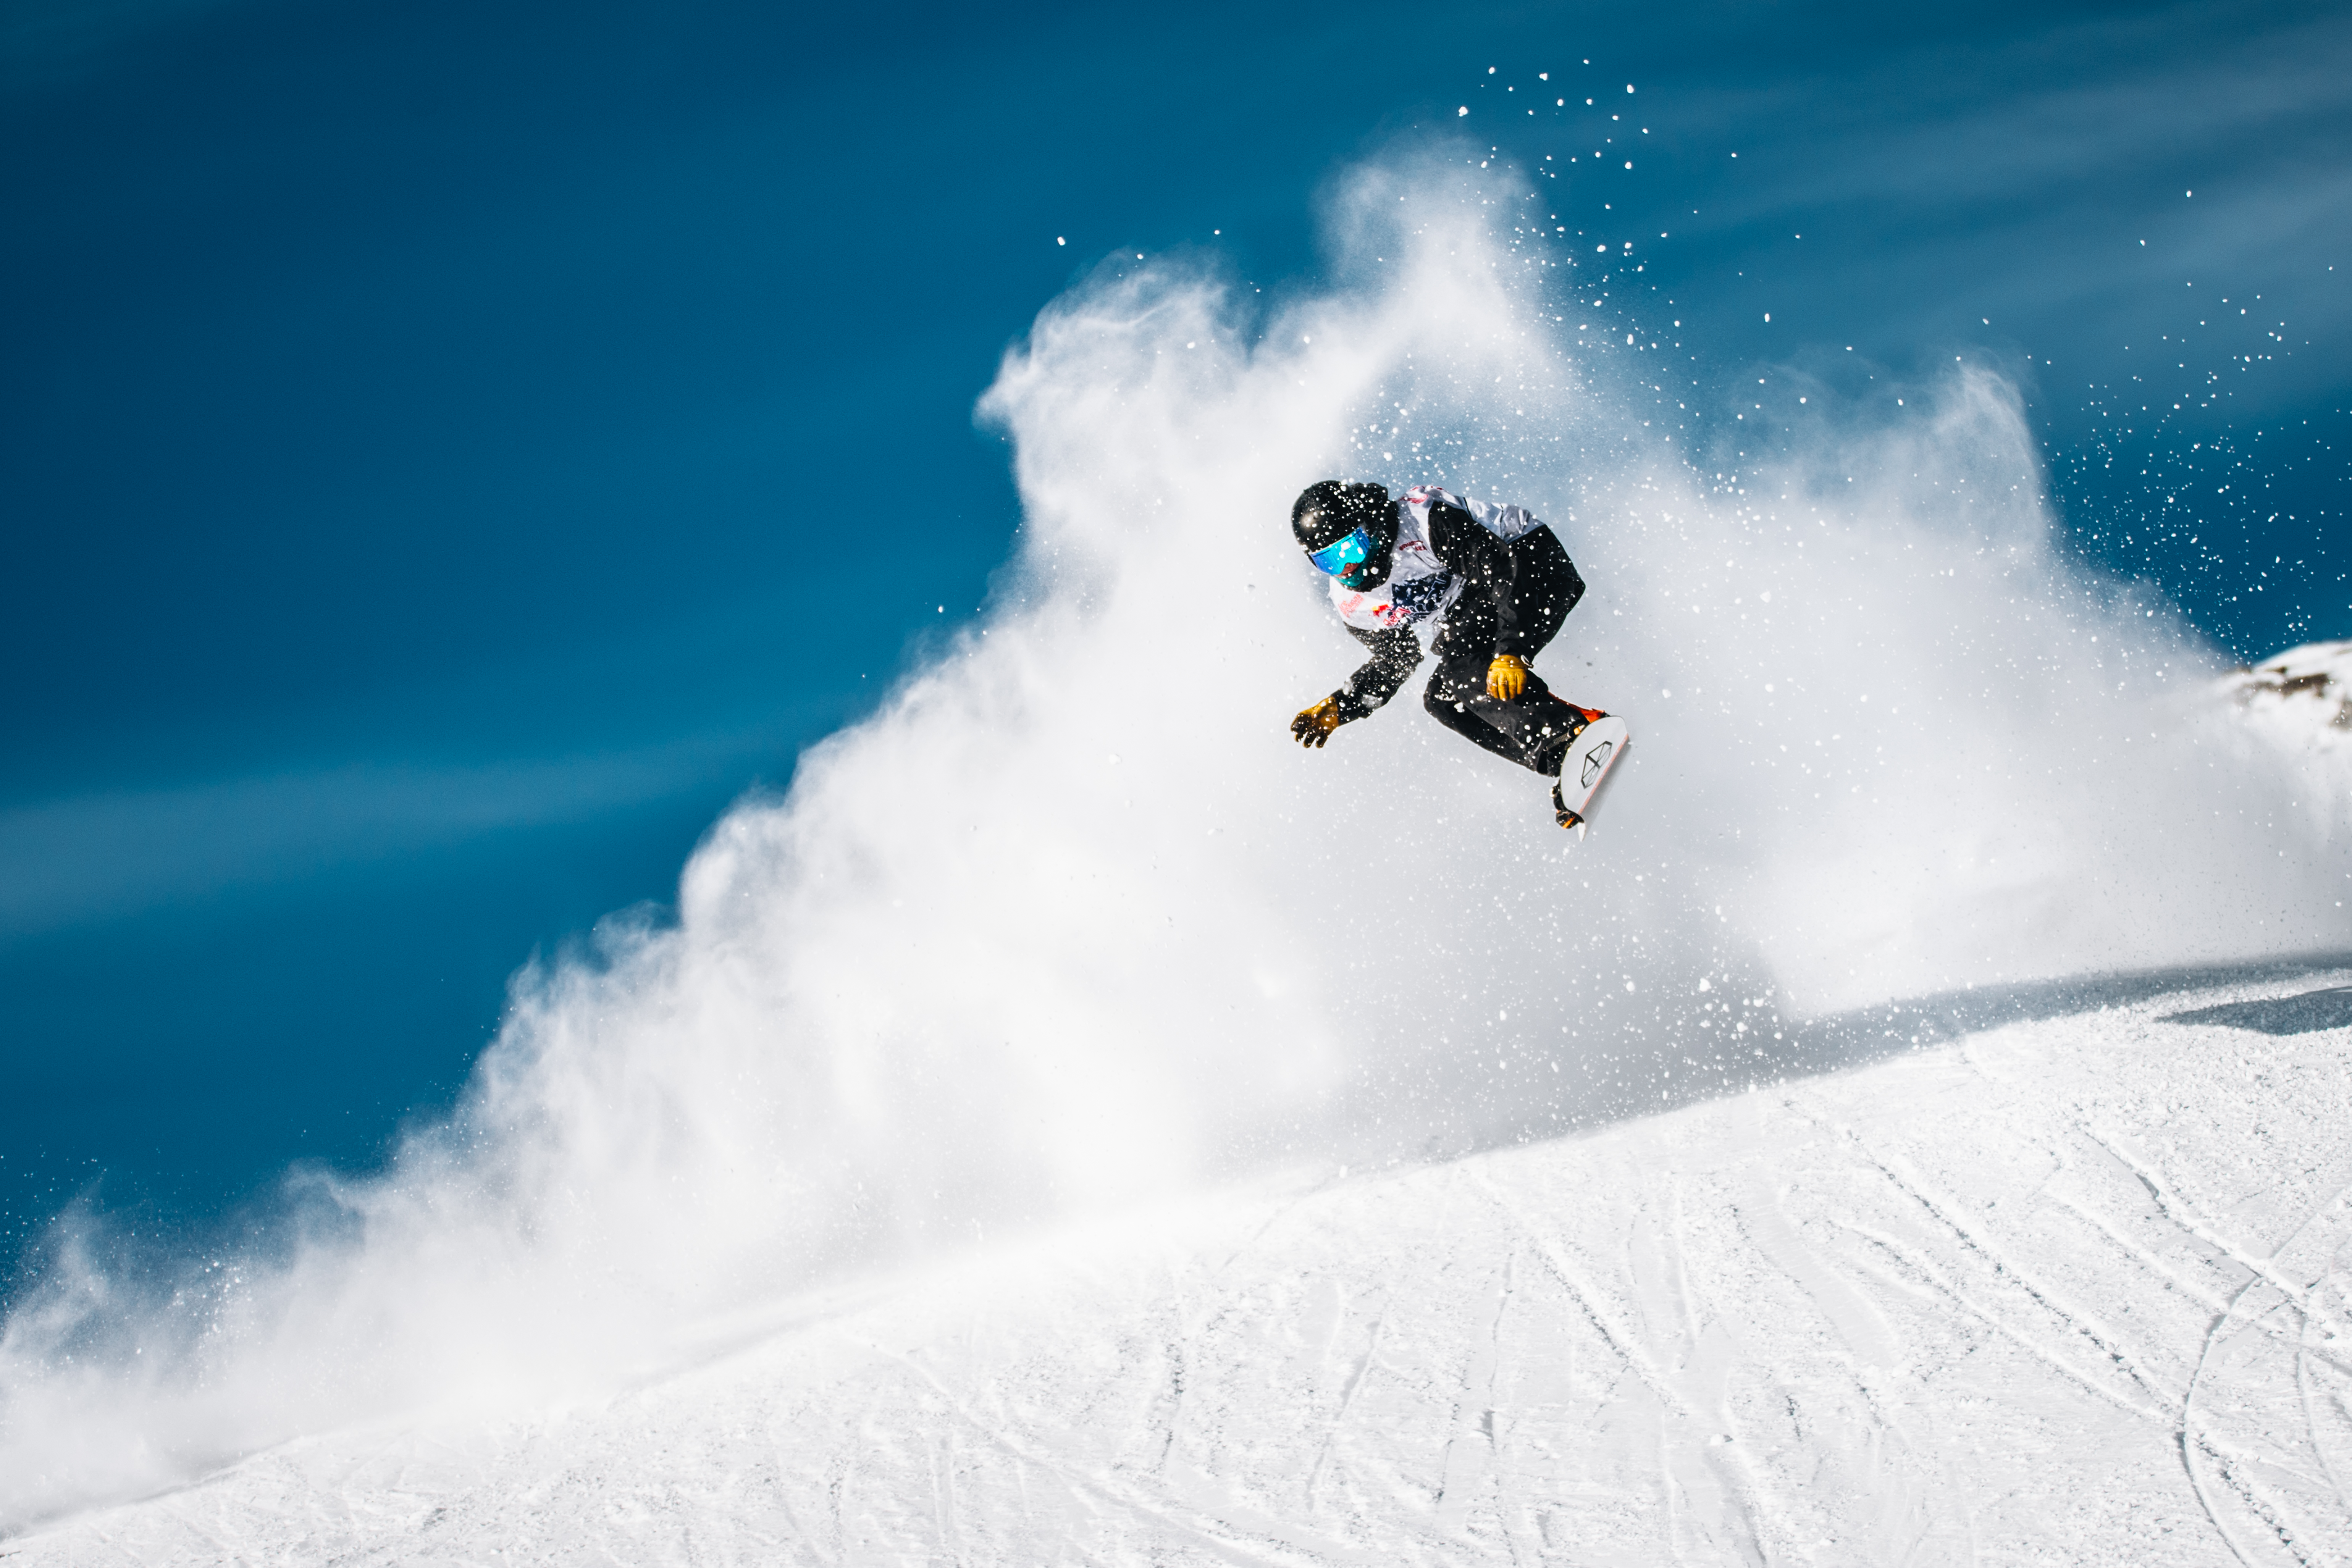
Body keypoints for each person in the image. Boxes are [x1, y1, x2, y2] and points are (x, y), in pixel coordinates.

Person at [1287, 479, 1607, 828]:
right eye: (1330, 562)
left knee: (1462, 673)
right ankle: (1562, 756)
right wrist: (1343, 704)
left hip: (1529, 563)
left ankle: (1565, 734)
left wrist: (1511, 652)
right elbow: (1398, 658)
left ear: (1369, 525)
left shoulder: (1421, 520)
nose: (1347, 568)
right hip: (1473, 607)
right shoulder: (1354, 603)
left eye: (1351, 549)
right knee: (1441, 700)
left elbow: (1499, 568)